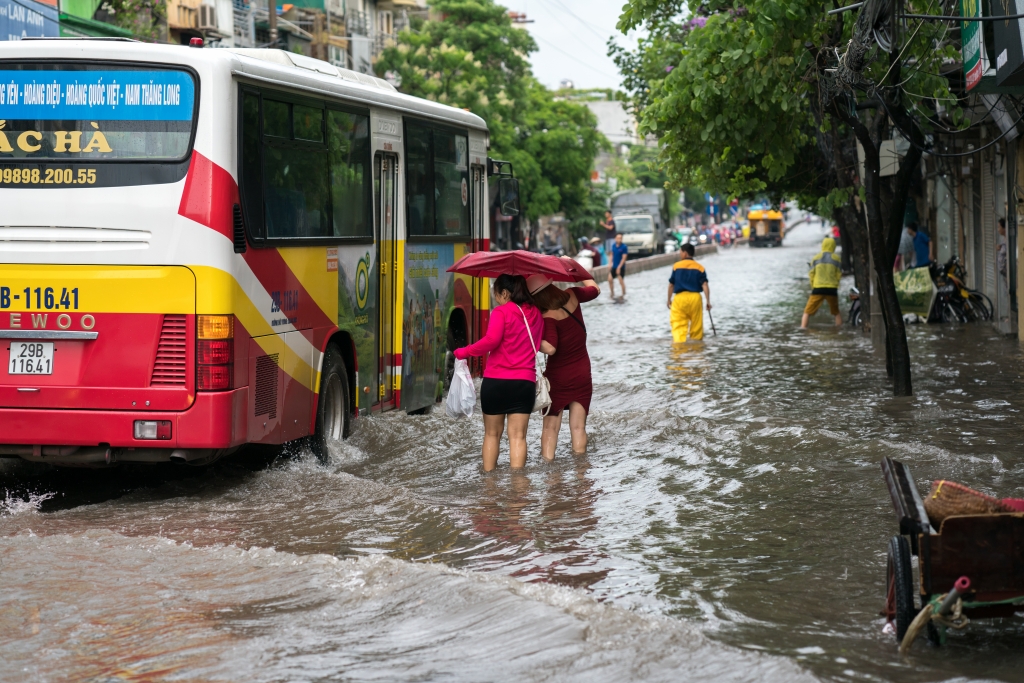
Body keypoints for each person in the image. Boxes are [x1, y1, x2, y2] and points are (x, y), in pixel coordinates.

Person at [454, 274, 543, 472]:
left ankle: (490, 485)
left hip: (496, 382)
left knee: (492, 434)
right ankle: (518, 488)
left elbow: (491, 341)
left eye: (496, 293)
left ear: (505, 292)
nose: (495, 298)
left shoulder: (501, 312)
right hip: (524, 383)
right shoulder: (536, 313)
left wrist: (464, 352)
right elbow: (537, 344)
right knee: (518, 436)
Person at [529, 269, 600, 460]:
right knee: (578, 427)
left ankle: (551, 476)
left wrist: (531, 339)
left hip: (558, 377)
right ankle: (581, 473)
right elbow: (595, 289)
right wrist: (578, 271)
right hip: (583, 373)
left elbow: (551, 348)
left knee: (550, 428)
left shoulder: (548, 317)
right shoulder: (573, 295)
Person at [666, 243, 711, 342]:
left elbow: (671, 285)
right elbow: (705, 285)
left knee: (678, 325)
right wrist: (708, 301)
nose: (680, 254)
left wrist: (669, 299)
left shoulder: (676, 266)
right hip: (695, 298)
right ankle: (696, 351)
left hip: (679, 299)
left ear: (685, 253)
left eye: (680, 252)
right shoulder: (700, 267)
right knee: (696, 326)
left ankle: (679, 349)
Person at [801, 236, 843, 328]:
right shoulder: (836, 259)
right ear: (833, 246)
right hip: (832, 289)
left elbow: (811, 274)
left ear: (823, 245)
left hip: (818, 288)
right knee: (836, 312)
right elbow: (839, 275)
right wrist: (836, 284)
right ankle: (839, 330)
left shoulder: (816, 258)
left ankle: (803, 330)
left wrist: (813, 286)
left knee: (807, 312)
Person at [608, 233, 628, 299]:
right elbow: (611, 255)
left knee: (621, 281)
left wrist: (619, 267)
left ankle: (623, 294)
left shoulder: (624, 247)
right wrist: (610, 263)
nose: (619, 239)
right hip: (614, 266)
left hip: (621, 267)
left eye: (620, 238)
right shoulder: (613, 246)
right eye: (618, 238)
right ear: (615, 238)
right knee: (610, 279)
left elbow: (624, 258)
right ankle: (612, 293)